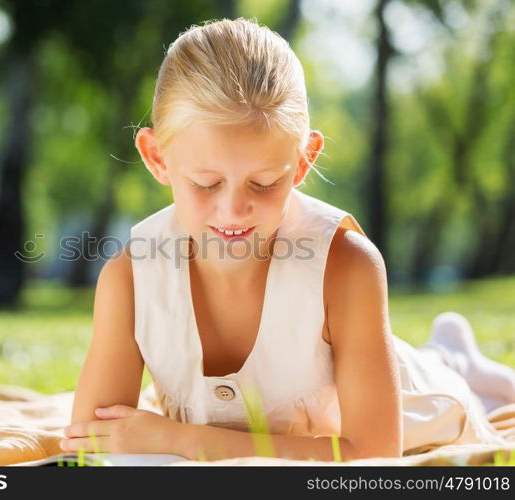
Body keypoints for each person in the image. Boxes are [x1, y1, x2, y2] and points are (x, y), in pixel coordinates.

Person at [62, 18, 515, 461]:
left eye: (263, 183)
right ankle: (451, 351)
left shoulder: (348, 266)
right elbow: (92, 438)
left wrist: (183, 441)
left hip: (421, 399)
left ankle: (456, 363)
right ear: (156, 157)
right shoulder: (131, 278)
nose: (234, 210)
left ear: (302, 163)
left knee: (455, 387)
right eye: (205, 183)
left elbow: (374, 453)